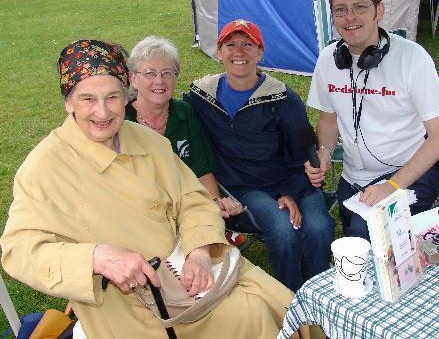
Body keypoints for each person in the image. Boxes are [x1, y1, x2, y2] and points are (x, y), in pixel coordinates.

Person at [0, 39, 297, 339]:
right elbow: (18, 249)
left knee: (286, 306)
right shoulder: (46, 166)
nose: (102, 113)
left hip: (191, 271)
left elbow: (193, 198)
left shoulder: (148, 140)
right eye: (88, 98)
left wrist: (199, 249)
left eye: (113, 97)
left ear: (126, 95)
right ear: (68, 102)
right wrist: (96, 258)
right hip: (135, 308)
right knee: (252, 316)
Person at [187, 19, 335, 292]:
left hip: (295, 180)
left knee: (319, 228)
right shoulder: (200, 97)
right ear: (219, 53)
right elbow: (175, 121)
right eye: (230, 45)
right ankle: (289, 301)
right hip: (245, 187)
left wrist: (290, 192)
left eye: (248, 44)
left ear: (260, 52)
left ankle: (317, 296)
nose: (239, 52)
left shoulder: (284, 99)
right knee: (283, 230)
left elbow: (305, 152)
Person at [305, 0, 439, 240]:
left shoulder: (413, 59)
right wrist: (324, 152)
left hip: (407, 173)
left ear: (379, 10)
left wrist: (392, 186)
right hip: (353, 179)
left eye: (360, 7)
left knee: (367, 238)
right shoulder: (328, 59)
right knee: (358, 243)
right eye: (340, 9)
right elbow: (329, 119)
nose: (350, 17)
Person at [125, 36, 242, 221]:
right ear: (134, 79)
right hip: (141, 215)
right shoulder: (122, 121)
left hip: (187, 209)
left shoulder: (184, 112)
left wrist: (214, 203)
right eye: (149, 73)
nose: (159, 81)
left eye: (167, 73)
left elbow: (202, 169)